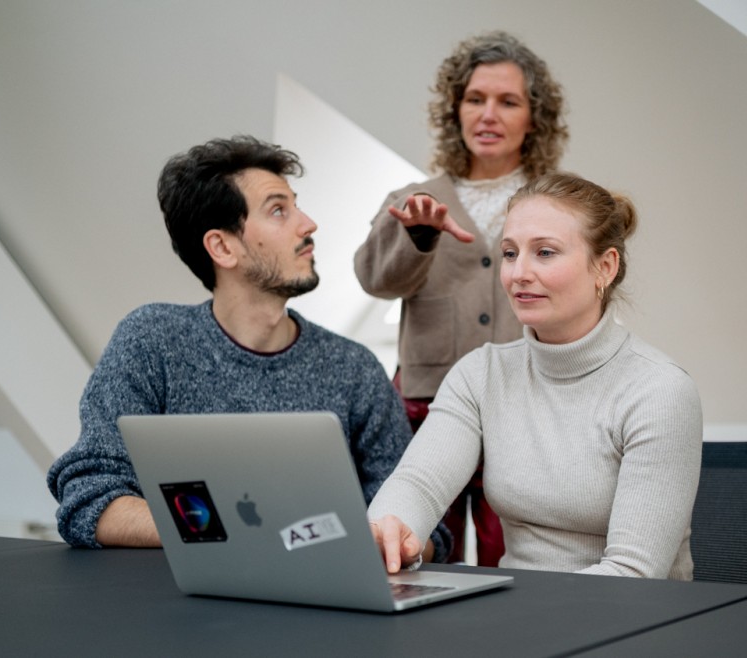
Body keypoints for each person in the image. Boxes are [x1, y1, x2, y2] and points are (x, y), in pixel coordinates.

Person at [46, 136, 449, 561]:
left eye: (296, 206)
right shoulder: (151, 341)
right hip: (177, 598)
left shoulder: (354, 368)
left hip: (324, 596)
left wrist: (401, 540)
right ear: (222, 247)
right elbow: (91, 501)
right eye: (278, 210)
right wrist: (243, 531)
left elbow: (423, 527)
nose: (308, 224)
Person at [367, 172, 703, 579]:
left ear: (605, 267)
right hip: (518, 606)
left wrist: (521, 610)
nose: (518, 273)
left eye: (545, 252)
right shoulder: (481, 373)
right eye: (510, 253)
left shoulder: (659, 390)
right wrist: (389, 530)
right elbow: (418, 483)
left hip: (626, 611)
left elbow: (633, 573)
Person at [354, 30, 568, 566]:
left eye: (508, 101)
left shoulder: (559, 204)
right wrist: (418, 237)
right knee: (420, 554)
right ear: (455, 111)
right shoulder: (411, 200)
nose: (488, 115)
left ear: (534, 118)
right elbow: (375, 279)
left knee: (516, 561)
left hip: (524, 409)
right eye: (475, 99)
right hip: (426, 411)